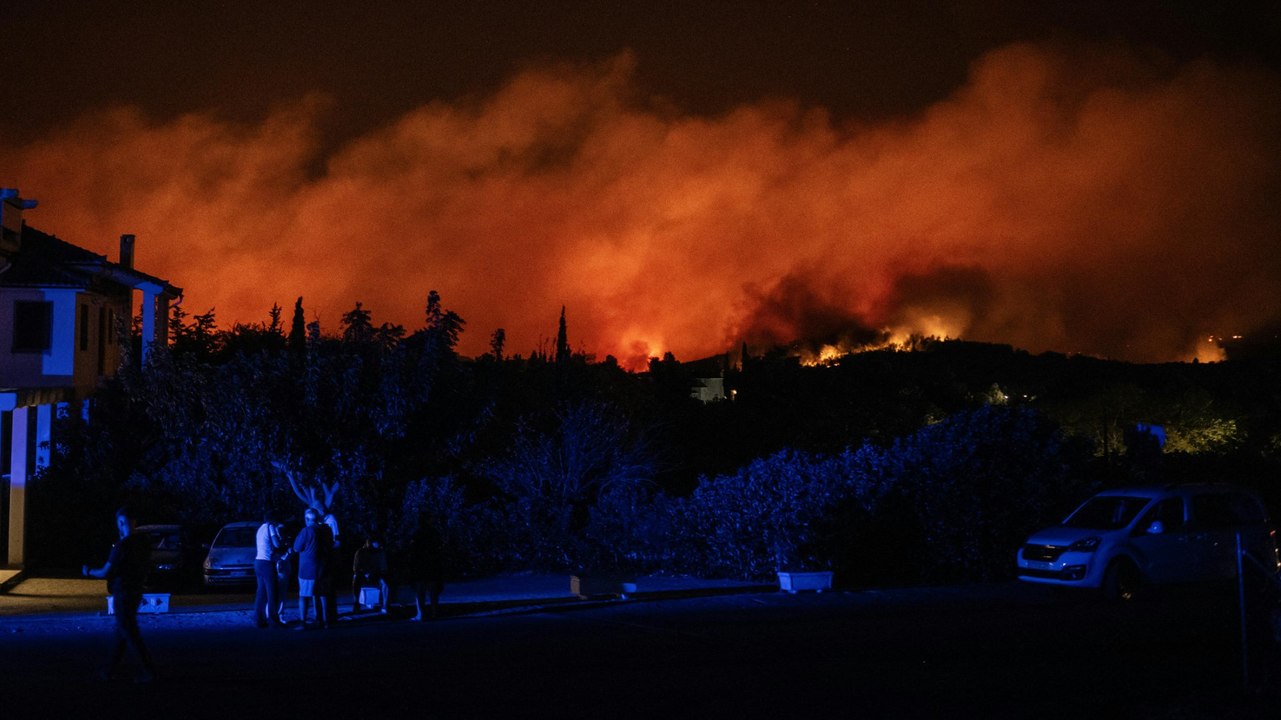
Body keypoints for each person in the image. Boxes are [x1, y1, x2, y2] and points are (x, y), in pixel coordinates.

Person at [83, 506, 156, 682]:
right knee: (122, 631)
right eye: (119, 523)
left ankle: (148, 672)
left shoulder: (122, 547)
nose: (121, 527)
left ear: (132, 522)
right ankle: (108, 671)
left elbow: (105, 572)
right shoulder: (143, 544)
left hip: (123, 593)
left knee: (129, 632)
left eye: (123, 523)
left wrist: (88, 571)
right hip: (135, 591)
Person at [292, 508, 332, 629]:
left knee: (304, 596)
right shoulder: (326, 530)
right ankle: (325, 622)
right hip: (323, 567)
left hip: (307, 569)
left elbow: (296, 548)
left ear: (306, 519)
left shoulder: (306, 531)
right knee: (322, 595)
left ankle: (303, 623)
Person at [408, 519, 445, 622]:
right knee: (432, 593)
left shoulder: (417, 534)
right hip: (431, 567)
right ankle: (434, 613)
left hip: (421, 568)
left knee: (421, 593)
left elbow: (412, 551)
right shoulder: (434, 534)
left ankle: (421, 615)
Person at [253, 512, 285, 628]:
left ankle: (258, 620)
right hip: (267, 562)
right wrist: (283, 541)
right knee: (272, 592)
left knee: (261, 593)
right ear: (273, 520)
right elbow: (276, 544)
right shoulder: (270, 527)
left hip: (258, 562)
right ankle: (273, 620)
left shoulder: (260, 529)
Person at [351, 536, 390, 614]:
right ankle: (356, 604)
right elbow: (356, 568)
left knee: (385, 583)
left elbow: (383, 567)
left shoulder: (381, 552)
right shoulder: (360, 552)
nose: (377, 544)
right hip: (363, 574)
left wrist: (377, 573)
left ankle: (385, 606)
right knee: (356, 579)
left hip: (376, 574)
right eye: (375, 542)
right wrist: (365, 573)